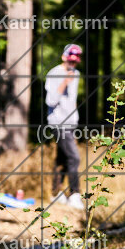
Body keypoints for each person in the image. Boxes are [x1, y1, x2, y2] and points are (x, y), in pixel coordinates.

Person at [45, 43, 85, 211]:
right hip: (58, 122)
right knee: (74, 157)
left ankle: (56, 194)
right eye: (70, 61)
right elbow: (50, 101)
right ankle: (75, 194)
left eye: (75, 62)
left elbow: (72, 99)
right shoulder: (54, 73)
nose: (72, 65)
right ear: (64, 57)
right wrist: (64, 83)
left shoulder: (76, 73)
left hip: (70, 122)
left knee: (62, 158)